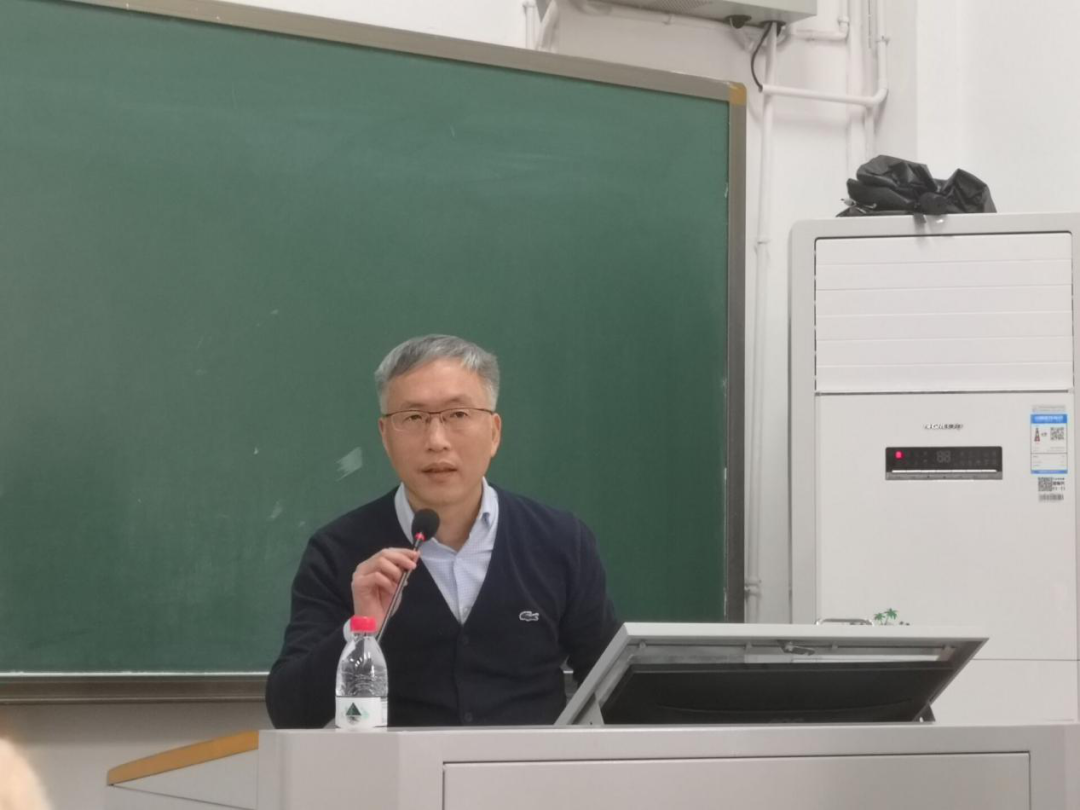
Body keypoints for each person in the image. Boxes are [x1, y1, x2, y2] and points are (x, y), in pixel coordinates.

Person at [266, 335, 618, 728]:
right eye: (413, 418)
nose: (436, 441)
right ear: (385, 436)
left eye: (458, 415)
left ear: (494, 432)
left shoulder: (560, 541)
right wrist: (359, 631)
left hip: (530, 768)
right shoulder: (339, 550)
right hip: (396, 768)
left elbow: (614, 685)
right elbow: (290, 712)